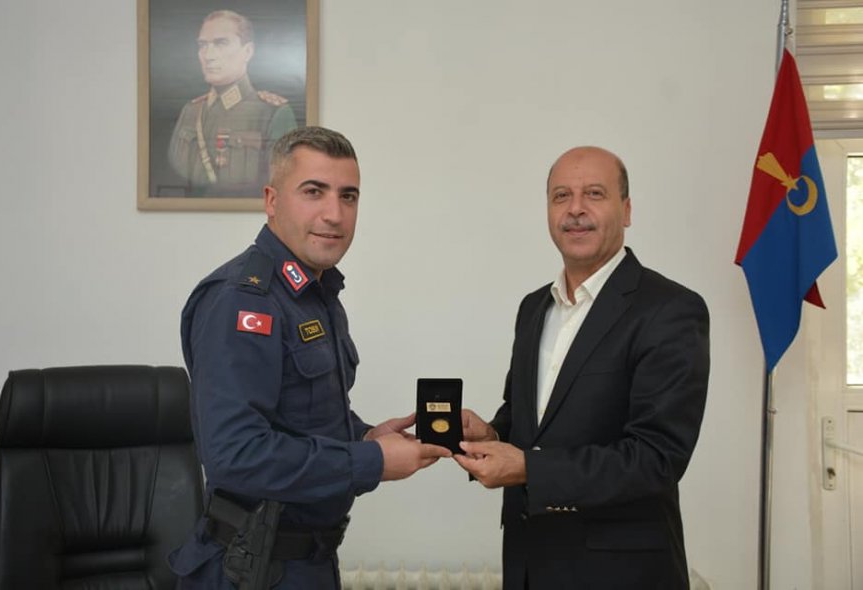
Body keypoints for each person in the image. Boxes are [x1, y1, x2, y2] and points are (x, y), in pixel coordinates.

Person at [170, 126, 451, 589]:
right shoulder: (244, 300)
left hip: (306, 563)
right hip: (250, 570)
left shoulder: (315, 292)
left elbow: (298, 417)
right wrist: (370, 461)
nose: (334, 214)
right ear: (272, 201)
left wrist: (364, 436)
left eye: (348, 196)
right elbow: (236, 455)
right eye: (314, 192)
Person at [455, 146, 710, 589]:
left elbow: (657, 458)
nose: (575, 209)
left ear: (626, 210)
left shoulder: (670, 309)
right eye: (561, 196)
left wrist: (529, 469)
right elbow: (531, 424)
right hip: (529, 565)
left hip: (622, 576)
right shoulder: (533, 308)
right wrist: (492, 436)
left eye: (594, 193)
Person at [168, 9, 298, 198]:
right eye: (203, 45)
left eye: (221, 43)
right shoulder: (191, 112)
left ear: (247, 51)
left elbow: (285, 188)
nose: (208, 55)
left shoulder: (272, 112)